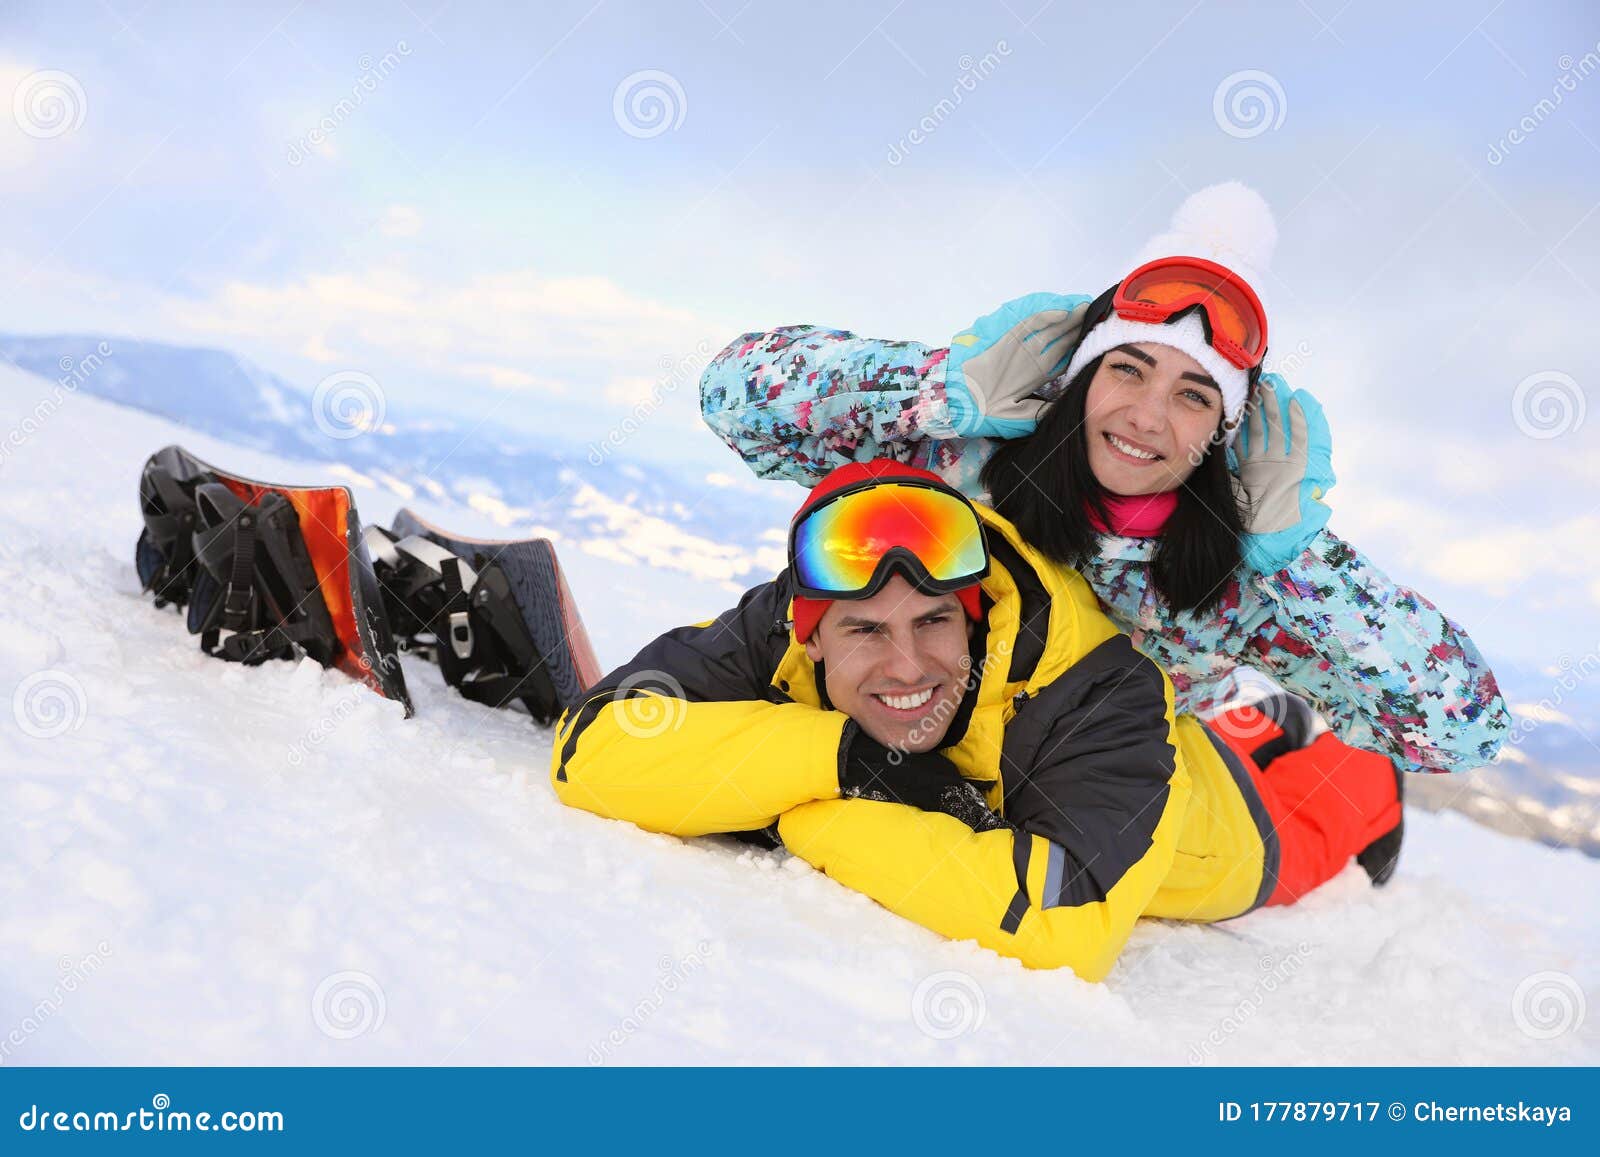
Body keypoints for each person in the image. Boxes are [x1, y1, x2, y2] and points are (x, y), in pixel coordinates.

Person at [551, 460, 1403, 981]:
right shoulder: (778, 619)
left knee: (1311, 821)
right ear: (807, 635)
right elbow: (591, 748)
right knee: (1228, 735)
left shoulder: (1095, 682)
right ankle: (1260, 721)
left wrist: (809, 814)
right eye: (865, 632)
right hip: (1138, 755)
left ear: (974, 614)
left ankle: (1368, 777)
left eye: (933, 621)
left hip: (1212, 826)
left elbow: (1064, 929)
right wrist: (848, 758)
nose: (908, 665)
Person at [698, 255, 1510, 777]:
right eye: (1128, 370)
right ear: (1080, 378)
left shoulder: (1239, 580)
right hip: (917, 726)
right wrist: (937, 385)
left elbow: (1456, 732)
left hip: (1112, 780)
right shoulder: (958, 461)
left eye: (1193, 397)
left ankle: (1309, 769)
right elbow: (733, 399)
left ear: (1219, 436)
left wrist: (1304, 558)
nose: (1149, 417)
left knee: (1298, 806)